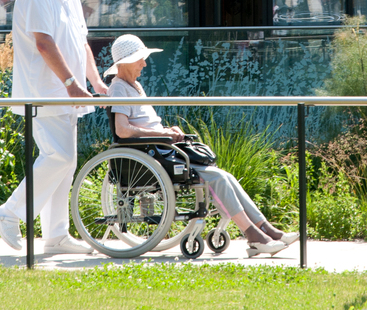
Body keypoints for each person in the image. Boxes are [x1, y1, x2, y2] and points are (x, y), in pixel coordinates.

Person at [103, 34, 299, 257]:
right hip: (153, 154)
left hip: (161, 149)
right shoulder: (119, 88)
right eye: (141, 59)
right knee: (218, 178)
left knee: (225, 176)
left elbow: (143, 123)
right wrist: (163, 133)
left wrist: (168, 131)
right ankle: (253, 235)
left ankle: (267, 229)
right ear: (127, 61)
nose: (144, 64)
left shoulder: (134, 86)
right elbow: (122, 130)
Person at [0, 0, 108, 254]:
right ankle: (10, 212)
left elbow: (81, 43)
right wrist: (72, 83)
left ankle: (56, 237)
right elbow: (43, 44)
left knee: (65, 164)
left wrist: (95, 81)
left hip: (69, 92)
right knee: (59, 157)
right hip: (44, 92)